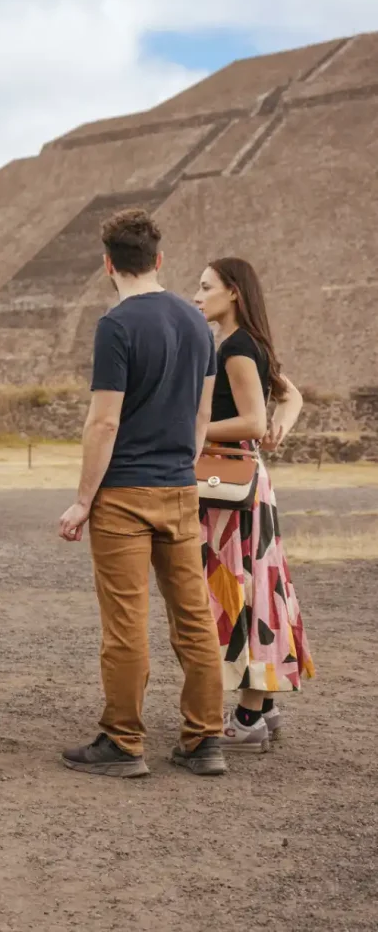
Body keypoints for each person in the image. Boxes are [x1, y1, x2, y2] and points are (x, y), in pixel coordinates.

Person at [58, 208, 227, 778]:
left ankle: (123, 741)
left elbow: (104, 423)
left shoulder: (117, 325)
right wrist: (182, 461)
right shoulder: (198, 324)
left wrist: (83, 499)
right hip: (181, 488)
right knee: (195, 619)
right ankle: (205, 740)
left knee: (126, 623)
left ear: (109, 265)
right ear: (158, 259)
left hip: (124, 495)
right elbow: (202, 412)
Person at [194, 257, 315, 752]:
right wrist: (280, 425)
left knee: (238, 591)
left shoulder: (237, 350)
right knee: (256, 586)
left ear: (234, 292)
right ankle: (260, 704)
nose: (197, 296)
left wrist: (191, 433)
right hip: (245, 481)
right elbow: (291, 397)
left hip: (230, 485)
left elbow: (248, 421)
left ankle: (247, 716)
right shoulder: (250, 345)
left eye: (206, 287)